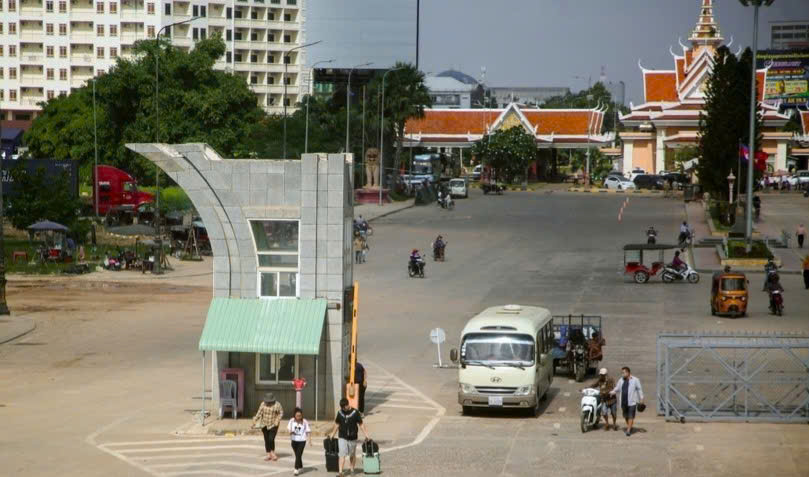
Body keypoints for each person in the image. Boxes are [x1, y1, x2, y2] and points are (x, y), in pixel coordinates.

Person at [330, 398, 371, 477]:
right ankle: (340, 472)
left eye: (344, 407)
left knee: (352, 455)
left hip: (352, 437)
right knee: (342, 454)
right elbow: (337, 424)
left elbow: (361, 424)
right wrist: (332, 434)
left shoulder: (355, 412)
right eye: (342, 407)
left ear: (347, 405)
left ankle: (352, 469)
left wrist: (366, 435)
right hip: (342, 436)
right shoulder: (340, 413)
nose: (343, 409)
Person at [609, 366, 644, 437]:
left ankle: (628, 430)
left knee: (631, 416)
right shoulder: (621, 380)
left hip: (632, 402)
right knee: (625, 416)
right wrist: (612, 392)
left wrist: (642, 399)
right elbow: (617, 388)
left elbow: (639, 389)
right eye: (622, 373)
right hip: (623, 402)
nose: (622, 374)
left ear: (628, 373)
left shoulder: (635, 380)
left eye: (623, 373)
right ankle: (629, 426)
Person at [253, 393, 283, 461]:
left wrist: (277, 420)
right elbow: (259, 413)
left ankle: (272, 452)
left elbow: (281, 413)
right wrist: (255, 420)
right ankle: (268, 454)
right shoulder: (263, 404)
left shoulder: (277, 404)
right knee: (266, 439)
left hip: (274, 424)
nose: (268, 403)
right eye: (267, 401)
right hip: (264, 424)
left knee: (271, 439)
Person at [287, 407, 311, 475]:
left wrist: (310, 440)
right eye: (297, 415)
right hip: (294, 441)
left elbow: (308, 431)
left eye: (300, 415)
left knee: (298, 455)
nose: (298, 417)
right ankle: (300, 466)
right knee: (298, 455)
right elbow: (289, 429)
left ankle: (296, 469)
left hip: (302, 441)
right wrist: (290, 432)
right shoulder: (291, 420)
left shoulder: (304, 421)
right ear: (294, 415)